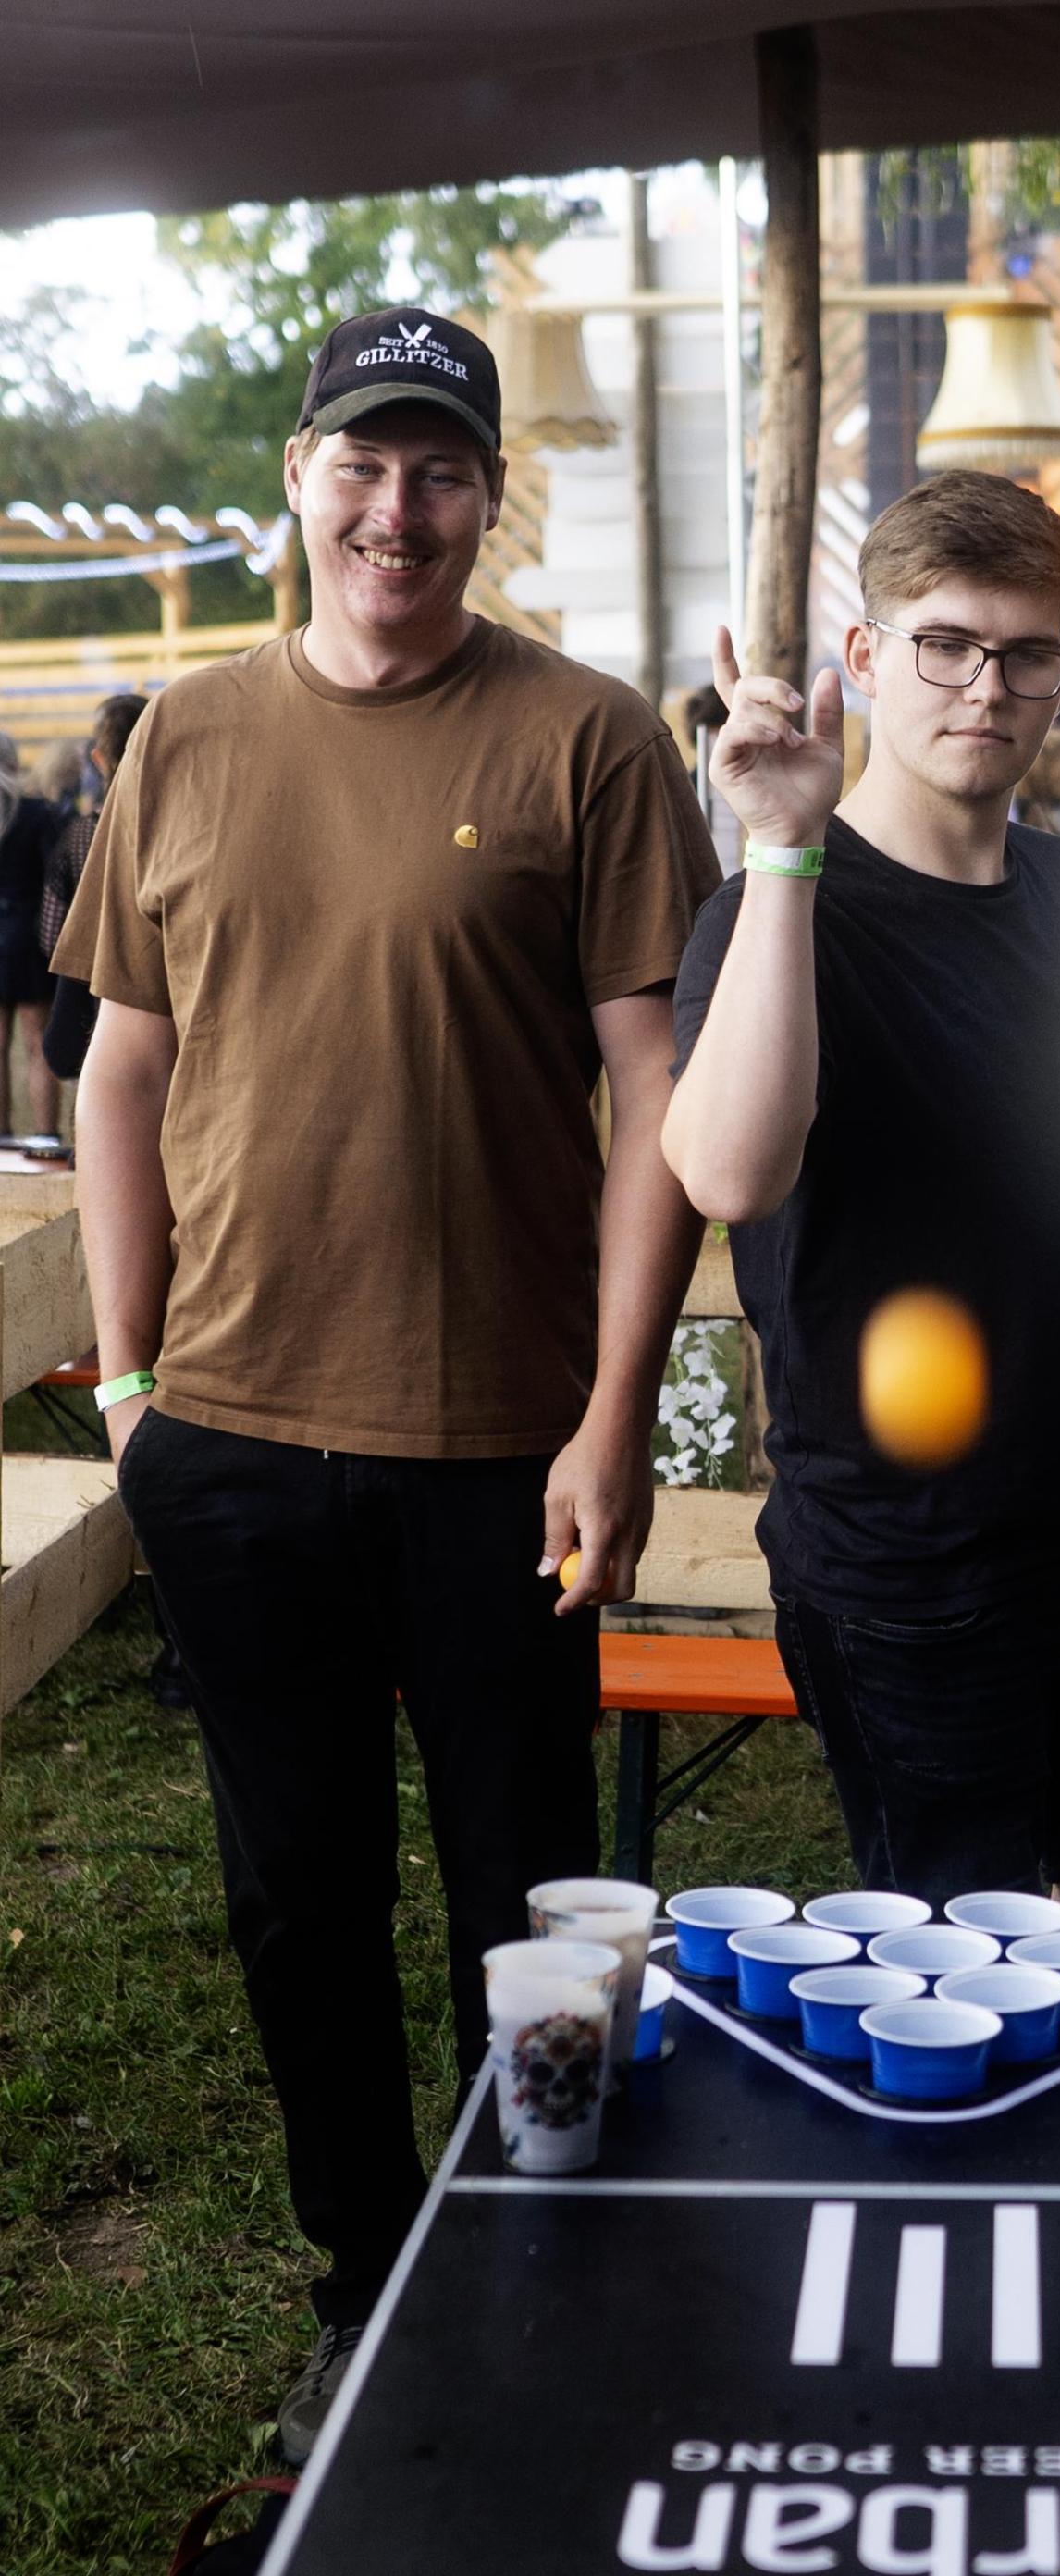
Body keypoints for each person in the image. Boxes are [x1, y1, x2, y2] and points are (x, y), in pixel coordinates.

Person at [56, 306, 720, 2458]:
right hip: (235, 1444)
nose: (398, 511)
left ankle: (546, 2257)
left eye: (440, 470)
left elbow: (657, 1094)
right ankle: (368, 2291)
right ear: (300, 480)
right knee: (295, 1895)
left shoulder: (587, 741)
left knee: (527, 1894)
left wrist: (615, 1418)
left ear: (486, 496)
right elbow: (122, 1065)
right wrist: (135, 1378)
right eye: (364, 464)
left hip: (502, 1453)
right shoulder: (184, 737)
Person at [665, 469, 1060, 1909]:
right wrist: (784, 845)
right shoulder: (770, 910)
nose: (985, 686)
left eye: (1027, 651)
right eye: (944, 644)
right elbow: (731, 1169)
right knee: (964, 1983)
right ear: (865, 658)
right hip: (912, 1568)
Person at [40, 692, 150, 1083]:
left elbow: (53, 937)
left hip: (87, 989)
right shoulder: (172, 829)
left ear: (99, 758)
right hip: (160, 994)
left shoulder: (78, 836)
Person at [0, 733, 59, 1136]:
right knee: (39, 1045)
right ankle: (44, 1137)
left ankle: (1, 1139)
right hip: (30, 938)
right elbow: (54, 879)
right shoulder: (39, 813)